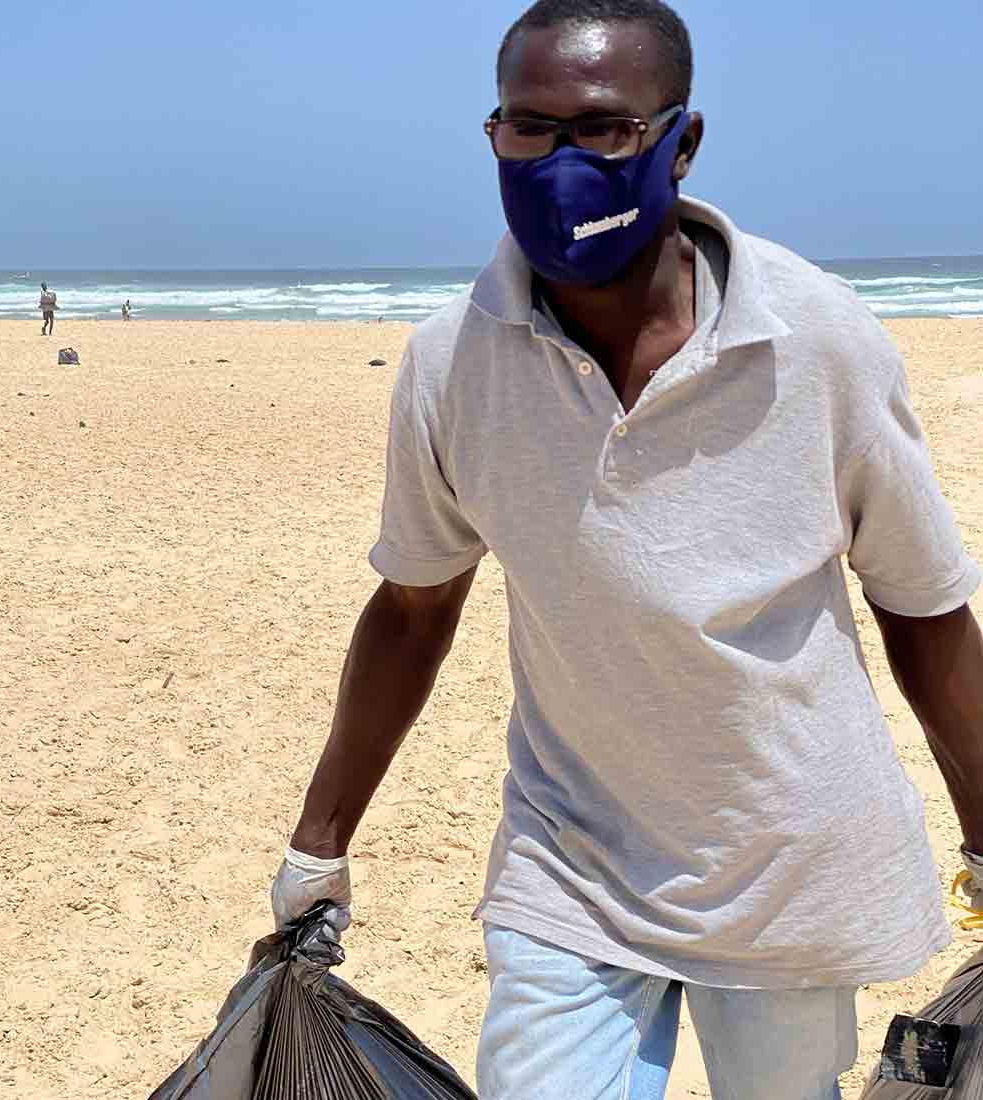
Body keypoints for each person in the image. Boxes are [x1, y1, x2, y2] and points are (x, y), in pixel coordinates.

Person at [271, 2, 983, 1099]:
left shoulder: (820, 336)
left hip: (785, 861)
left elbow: (924, 609)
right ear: (493, 133)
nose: (559, 162)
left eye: (602, 130)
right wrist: (318, 840)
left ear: (680, 142)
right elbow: (414, 606)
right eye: (528, 127)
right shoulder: (455, 361)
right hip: (573, 860)